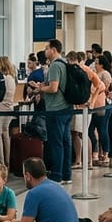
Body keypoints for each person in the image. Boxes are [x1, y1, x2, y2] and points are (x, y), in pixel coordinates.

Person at [35, 40, 73, 184]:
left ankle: (57, 175)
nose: (45, 51)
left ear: (53, 50)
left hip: (56, 109)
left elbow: (53, 88)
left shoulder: (55, 66)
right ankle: (66, 174)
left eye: (47, 48)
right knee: (66, 141)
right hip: (67, 107)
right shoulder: (65, 63)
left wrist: (40, 89)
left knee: (56, 143)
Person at [91, 53, 112, 166]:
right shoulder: (94, 74)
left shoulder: (105, 74)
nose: (95, 65)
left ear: (101, 64)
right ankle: (96, 151)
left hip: (103, 104)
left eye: (96, 63)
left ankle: (106, 153)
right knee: (91, 129)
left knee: (102, 129)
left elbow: (105, 88)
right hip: (94, 104)